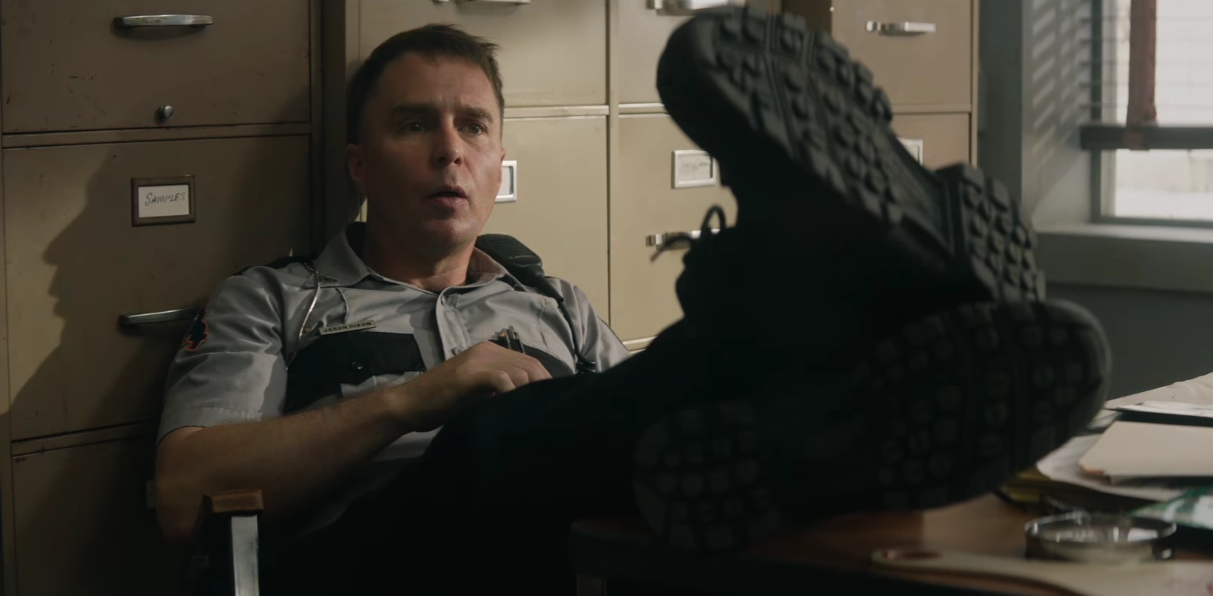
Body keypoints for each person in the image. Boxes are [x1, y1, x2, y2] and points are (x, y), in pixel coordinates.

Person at [154, 9, 1111, 595]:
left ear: (497, 161)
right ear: (360, 166)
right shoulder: (273, 300)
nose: (450, 148)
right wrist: (422, 396)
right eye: (415, 125)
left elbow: (659, 437)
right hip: (374, 565)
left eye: (473, 127)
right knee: (487, 442)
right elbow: (185, 496)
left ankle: (822, 372)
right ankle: (808, 279)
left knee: (670, 410)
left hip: (564, 560)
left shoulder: (549, 300)